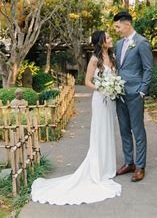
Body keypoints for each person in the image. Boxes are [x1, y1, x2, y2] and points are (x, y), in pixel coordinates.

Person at [31, 30, 121, 205]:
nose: (111, 39)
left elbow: (115, 76)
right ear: (101, 42)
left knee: (109, 131)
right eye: (108, 38)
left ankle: (108, 169)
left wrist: (114, 86)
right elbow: (87, 82)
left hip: (111, 100)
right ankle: (98, 170)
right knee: (99, 132)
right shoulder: (95, 60)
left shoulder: (113, 57)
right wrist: (102, 88)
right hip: (100, 98)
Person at [113, 11, 153, 182]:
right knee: (123, 129)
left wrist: (142, 90)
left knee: (137, 130)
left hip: (135, 93)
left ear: (127, 24)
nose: (116, 30)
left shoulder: (142, 43)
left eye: (117, 26)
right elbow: (118, 67)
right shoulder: (118, 44)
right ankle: (128, 162)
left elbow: (148, 68)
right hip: (119, 93)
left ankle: (140, 166)